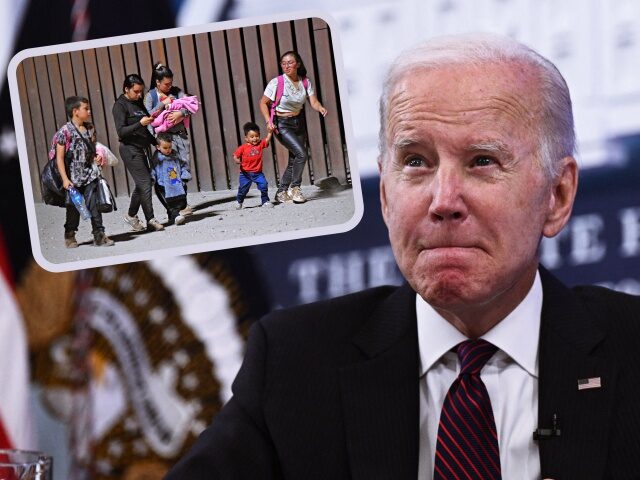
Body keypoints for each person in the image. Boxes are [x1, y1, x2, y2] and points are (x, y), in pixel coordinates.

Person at [165, 33, 640, 479]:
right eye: (416, 161)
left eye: (482, 161)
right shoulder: (296, 364)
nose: (443, 200)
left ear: (557, 195)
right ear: (387, 197)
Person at [259, 51, 327, 205]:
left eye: (290, 62)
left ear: (298, 64)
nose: (286, 65)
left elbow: (313, 102)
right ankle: (295, 188)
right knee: (302, 154)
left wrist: (320, 108)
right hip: (281, 123)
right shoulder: (277, 82)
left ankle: (281, 191)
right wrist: (267, 121)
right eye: (283, 63)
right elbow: (263, 102)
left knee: (294, 158)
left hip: (298, 122)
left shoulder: (305, 82)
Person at [54, 96, 114, 247]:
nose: (89, 111)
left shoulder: (90, 128)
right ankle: (70, 234)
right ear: (75, 111)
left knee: (94, 206)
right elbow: (59, 158)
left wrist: (98, 156)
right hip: (73, 179)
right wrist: (65, 179)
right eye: (85, 109)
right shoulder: (64, 132)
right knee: (74, 209)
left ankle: (99, 236)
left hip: (90, 176)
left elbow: (93, 148)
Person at [112, 73, 164, 232]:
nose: (139, 94)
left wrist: (156, 143)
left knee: (143, 183)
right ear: (126, 89)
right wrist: (139, 123)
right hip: (129, 149)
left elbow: (143, 128)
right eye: (136, 91)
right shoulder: (120, 106)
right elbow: (121, 132)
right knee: (146, 182)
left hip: (143, 148)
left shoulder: (138, 102)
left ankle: (131, 215)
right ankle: (151, 219)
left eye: (141, 91)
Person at [144, 63, 195, 217]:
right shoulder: (150, 96)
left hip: (180, 135)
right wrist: (162, 104)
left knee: (183, 169)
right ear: (158, 82)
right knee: (166, 173)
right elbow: (147, 116)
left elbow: (191, 105)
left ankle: (182, 203)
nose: (169, 86)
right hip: (164, 139)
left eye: (171, 83)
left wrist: (182, 114)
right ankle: (172, 208)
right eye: (166, 84)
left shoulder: (177, 91)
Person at [151, 132, 191, 225]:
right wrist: (152, 178)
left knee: (182, 202)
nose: (168, 150)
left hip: (176, 181)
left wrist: (184, 175)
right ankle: (176, 216)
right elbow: (152, 169)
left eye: (169, 147)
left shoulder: (175, 154)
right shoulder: (157, 157)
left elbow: (183, 165)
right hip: (163, 184)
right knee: (170, 203)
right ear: (158, 147)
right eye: (165, 148)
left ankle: (172, 216)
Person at [233, 121, 274, 209]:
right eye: (252, 137)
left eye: (257, 136)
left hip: (258, 173)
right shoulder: (243, 148)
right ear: (246, 138)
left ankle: (265, 201)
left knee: (263, 185)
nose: (255, 138)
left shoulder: (260, 145)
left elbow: (266, 140)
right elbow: (235, 155)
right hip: (245, 174)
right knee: (243, 189)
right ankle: (239, 201)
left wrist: (270, 132)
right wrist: (237, 160)